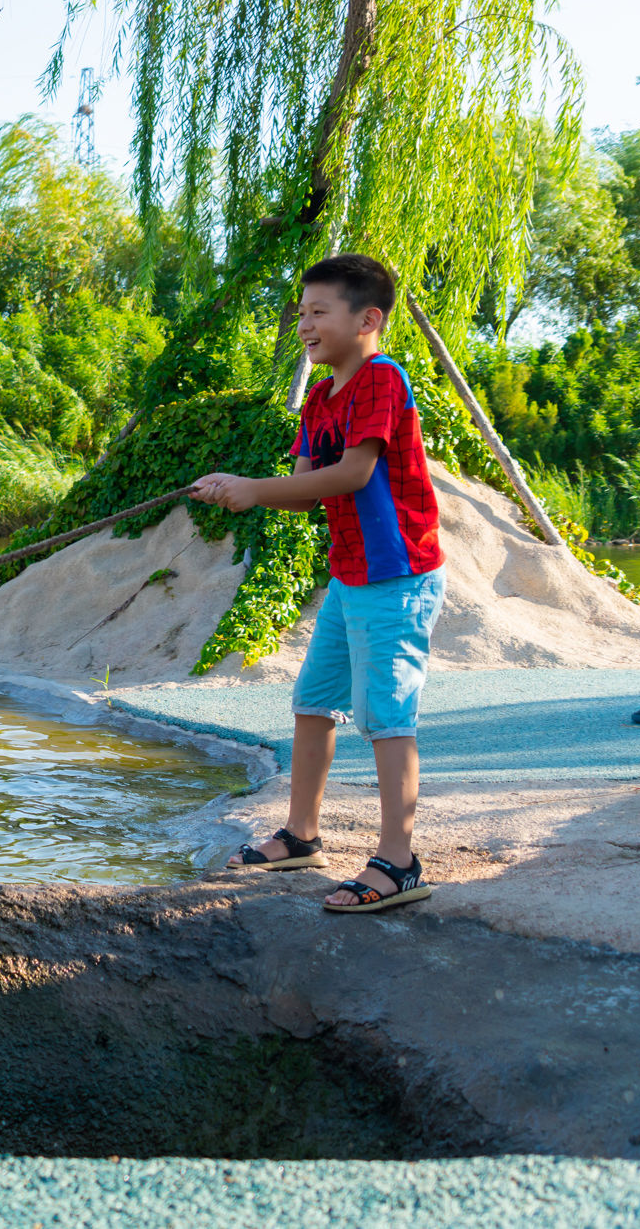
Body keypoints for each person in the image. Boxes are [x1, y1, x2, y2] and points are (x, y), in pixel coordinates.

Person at [192, 252, 445, 913]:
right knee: (313, 700)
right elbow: (305, 490)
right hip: (351, 574)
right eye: (301, 312)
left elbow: (354, 474)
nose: (305, 324)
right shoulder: (319, 397)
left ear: (369, 319)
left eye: (319, 312)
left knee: (387, 715)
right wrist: (236, 490)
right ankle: (302, 834)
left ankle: (399, 861)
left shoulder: (381, 380)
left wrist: (251, 489)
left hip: (397, 575)